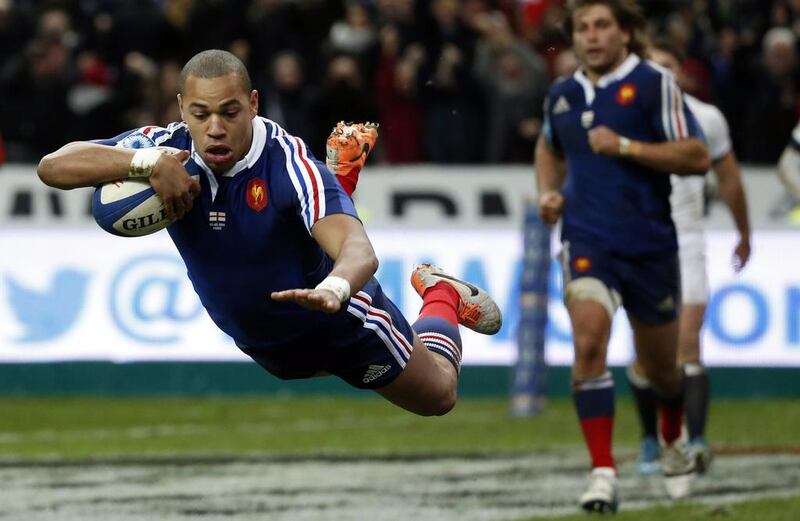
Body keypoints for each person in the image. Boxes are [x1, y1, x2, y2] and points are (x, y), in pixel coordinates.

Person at [37, 49, 502, 417]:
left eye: (230, 112)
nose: (214, 129)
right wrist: (146, 163)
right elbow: (53, 166)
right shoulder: (167, 147)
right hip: (266, 341)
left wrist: (336, 289)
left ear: (254, 105)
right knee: (291, 364)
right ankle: (342, 182)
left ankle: (440, 293)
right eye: (200, 114)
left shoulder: (289, 162)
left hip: (340, 322)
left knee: (438, 395)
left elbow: (359, 251)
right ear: (181, 108)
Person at [534, 1, 710, 513]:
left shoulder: (655, 84)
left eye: (603, 25)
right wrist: (549, 191)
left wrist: (628, 148)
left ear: (627, 33)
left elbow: (696, 156)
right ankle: (603, 472)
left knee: (663, 372)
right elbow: (549, 148)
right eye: (582, 28)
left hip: (650, 245)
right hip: (586, 241)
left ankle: (673, 439)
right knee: (588, 341)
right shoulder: (562, 93)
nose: (591, 36)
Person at [629, 41, 751, 477]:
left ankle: (693, 441)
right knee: (647, 356)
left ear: (682, 72)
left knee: (688, 345)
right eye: (653, 67)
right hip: (638, 246)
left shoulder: (707, 117)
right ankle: (650, 441)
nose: (661, 75)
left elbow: (730, 179)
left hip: (688, 243)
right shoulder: (625, 113)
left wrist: (744, 233)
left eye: (668, 67)